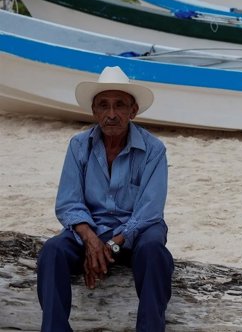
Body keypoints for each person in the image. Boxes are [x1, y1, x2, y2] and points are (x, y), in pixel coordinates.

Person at [37, 66, 174, 331]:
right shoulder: (78, 145)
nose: (112, 114)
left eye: (120, 105)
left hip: (136, 231)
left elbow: (149, 210)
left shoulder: (154, 149)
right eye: (104, 106)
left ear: (132, 111)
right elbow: (68, 202)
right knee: (52, 252)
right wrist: (90, 240)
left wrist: (110, 246)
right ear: (94, 111)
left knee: (155, 253)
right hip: (91, 229)